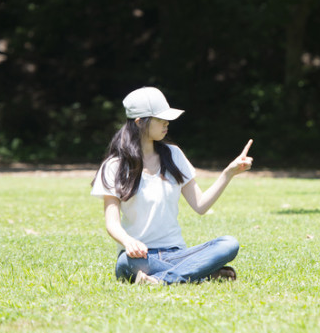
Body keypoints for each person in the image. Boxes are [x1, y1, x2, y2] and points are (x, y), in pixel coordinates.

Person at [91, 86, 253, 285]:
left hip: (177, 254)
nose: (167, 123)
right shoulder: (114, 166)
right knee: (125, 263)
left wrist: (229, 173)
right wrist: (127, 242)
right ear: (140, 122)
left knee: (229, 244)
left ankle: (162, 280)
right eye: (160, 119)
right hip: (140, 257)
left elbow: (200, 205)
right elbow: (112, 223)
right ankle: (198, 274)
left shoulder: (174, 155)